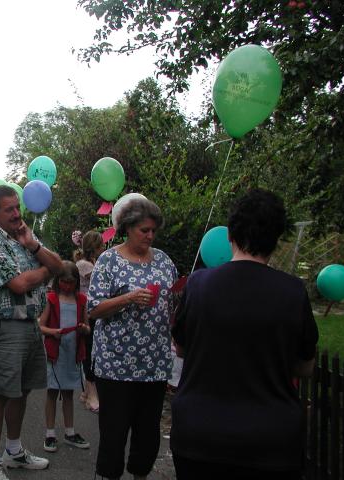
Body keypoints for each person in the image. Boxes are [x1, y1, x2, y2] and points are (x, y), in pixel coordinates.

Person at [170, 189, 318, 480]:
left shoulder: (198, 285)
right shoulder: (293, 292)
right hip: (271, 442)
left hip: (200, 436)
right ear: (276, 239)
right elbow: (306, 365)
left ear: (230, 235)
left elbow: (181, 349)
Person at [0, 185, 63, 480]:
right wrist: (46, 270)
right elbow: (19, 284)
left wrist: (33, 246)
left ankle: (13, 451)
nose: (15, 214)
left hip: (29, 325)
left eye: (17, 207)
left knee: (21, 391)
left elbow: (59, 266)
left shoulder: (25, 236)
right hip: (2, 328)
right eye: (8, 209)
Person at [87, 196, 178, 480]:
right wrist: (127, 298)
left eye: (153, 231)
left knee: (148, 435)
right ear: (128, 228)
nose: (150, 236)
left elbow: (173, 302)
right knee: (113, 434)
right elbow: (93, 310)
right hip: (115, 365)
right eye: (144, 231)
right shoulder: (108, 261)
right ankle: (108, 475)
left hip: (154, 364)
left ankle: (141, 475)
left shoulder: (163, 260)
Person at [38, 260, 91, 453]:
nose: (67, 286)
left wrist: (85, 328)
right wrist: (53, 332)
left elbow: (87, 326)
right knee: (52, 392)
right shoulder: (51, 298)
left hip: (72, 354)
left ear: (76, 282)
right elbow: (40, 325)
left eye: (71, 282)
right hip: (55, 353)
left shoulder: (82, 300)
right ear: (57, 281)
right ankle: (50, 433)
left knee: (68, 393)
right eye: (63, 282)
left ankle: (70, 432)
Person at [75, 230, 104, 413]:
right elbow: (102, 282)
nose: (103, 249)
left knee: (92, 350)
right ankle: (91, 392)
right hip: (87, 313)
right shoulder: (85, 265)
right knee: (90, 351)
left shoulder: (90, 263)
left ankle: (88, 392)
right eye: (100, 246)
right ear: (94, 247)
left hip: (92, 313)